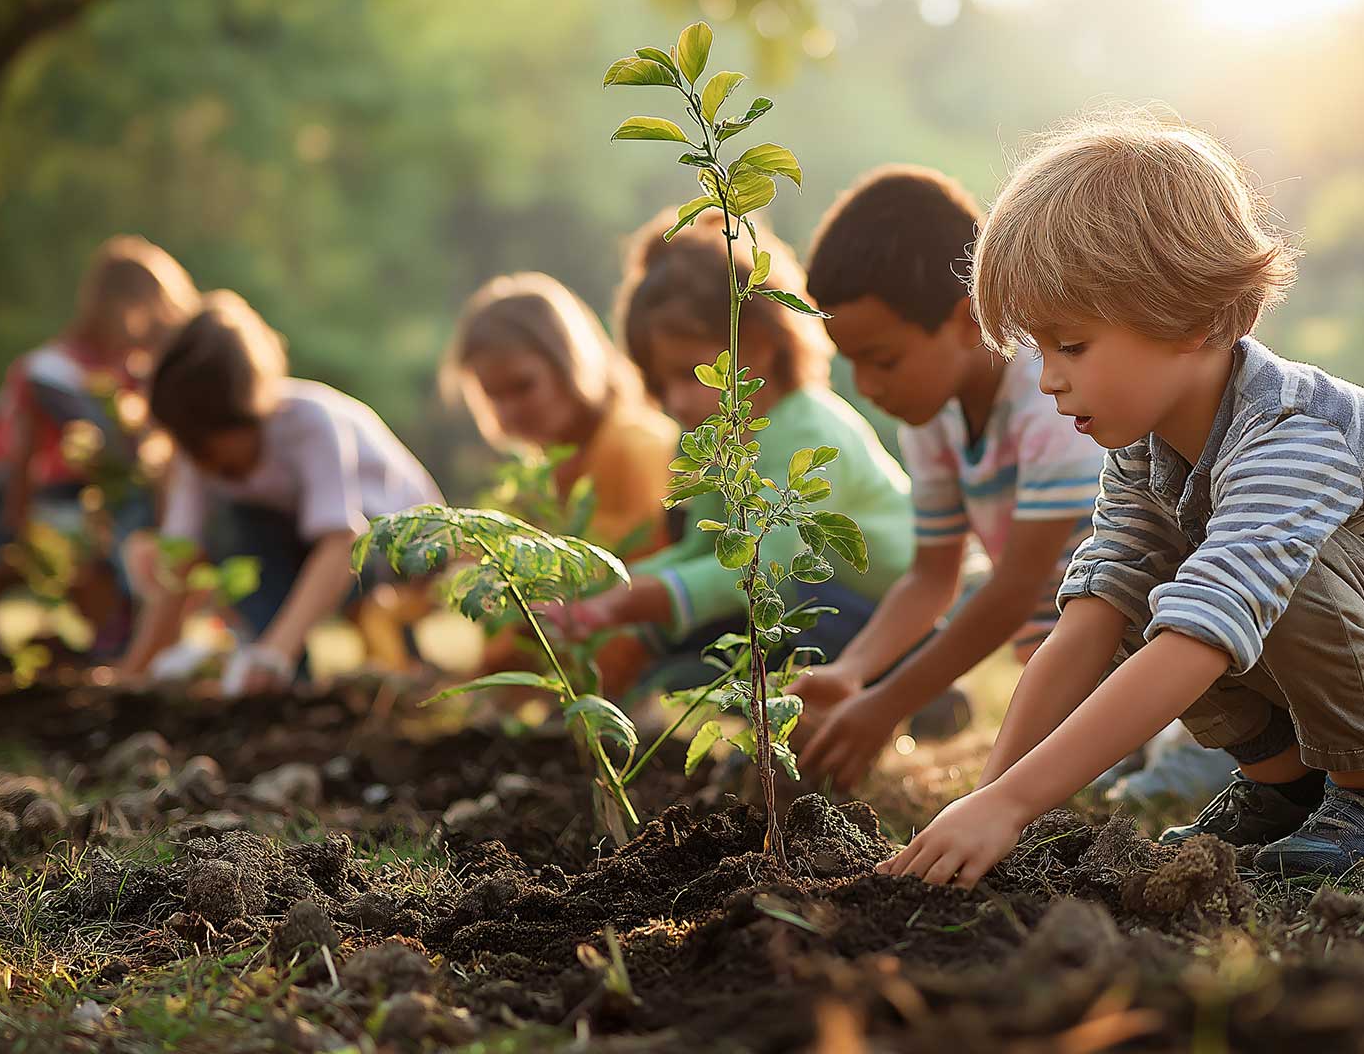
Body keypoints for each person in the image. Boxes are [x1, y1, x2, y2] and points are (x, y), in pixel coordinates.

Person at [880, 111, 1364, 886]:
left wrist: (1009, 805)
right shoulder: (1145, 448)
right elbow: (1094, 616)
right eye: (1040, 351)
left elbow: (1204, 632)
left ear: (1195, 320)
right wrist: (994, 800)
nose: (1047, 379)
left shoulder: (1293, 435)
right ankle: (1286, 789)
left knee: (1262, 570)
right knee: (1139, 579)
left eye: (1072, 346)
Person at [790, 165, 1105, 789]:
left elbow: (1015, 590)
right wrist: (853, 673)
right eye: (853, 365)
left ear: (968, 320)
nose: (870, 389)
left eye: (884, 360)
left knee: (1073, 775)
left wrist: (886, 706)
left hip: (1134, 628)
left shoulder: (1047, 397)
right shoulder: (931, 419)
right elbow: (933, 576)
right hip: (1059, 648)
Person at [552, 208, 914, 696]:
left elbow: (767, 567)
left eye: (687, 373)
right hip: (808, 604)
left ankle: (901, 683)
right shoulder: (719, 440)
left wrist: (639, 599)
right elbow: (701, 551)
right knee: (685, 635)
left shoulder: (807, 430)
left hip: (886, 614)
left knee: (784, 606)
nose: (675, 400)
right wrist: (612, 587)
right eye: (660, 383)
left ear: (759, 345)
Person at [118, 291, 443, 695]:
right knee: (240, 528)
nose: (200, 460)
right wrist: (134, 670)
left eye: (206, 444)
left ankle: (292, 668)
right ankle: (286, 684)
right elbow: (180, 558)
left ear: (248, 414)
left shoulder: (311, 422)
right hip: (314, 546)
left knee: (245, 529)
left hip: (403, 550)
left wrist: (276, 652)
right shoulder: (196, 454)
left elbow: (342, 542)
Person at [0, 236, 200, 665]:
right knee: (102, 530)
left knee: (128, 520)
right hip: (43, 492)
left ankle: (121, 634)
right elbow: (18, 456)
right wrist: (16, 524)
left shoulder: (134, 374)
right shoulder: (51, 370)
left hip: (93, 497)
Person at [442, 272, 681, 677]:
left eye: (523, 385)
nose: (510, 410)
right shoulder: (541, 471)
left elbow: (635, 591)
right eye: (492, 394)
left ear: (570, 362)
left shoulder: (632, 446)